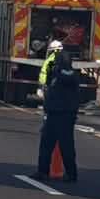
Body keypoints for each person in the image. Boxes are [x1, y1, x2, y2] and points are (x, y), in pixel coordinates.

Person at [35, 48, 79, 182]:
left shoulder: (63, 75)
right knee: (54, 145)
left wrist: (54, 73)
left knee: (60, 145)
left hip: (60, 114)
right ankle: (46, 171)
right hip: (62, 114)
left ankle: (68, 174)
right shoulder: (71, 75)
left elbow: (58, 84)